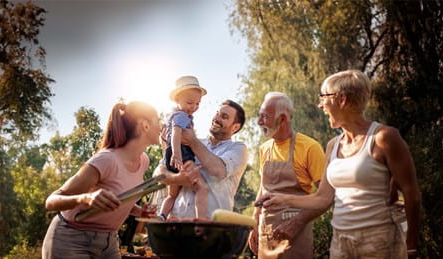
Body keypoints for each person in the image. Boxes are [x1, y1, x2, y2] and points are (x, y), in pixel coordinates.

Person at [259, 70, 422, 258]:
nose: (320, 105)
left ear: (342, 99)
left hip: (378, 241)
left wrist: (411, 246)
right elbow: (323, 198)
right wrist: (283, 199)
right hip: (340, 242)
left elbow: (412, 195)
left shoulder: (384, 137)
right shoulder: (333, 145)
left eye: (323, 97)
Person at [42, 101, 161, 259]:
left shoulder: (143, 160)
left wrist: (139, 211)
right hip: (72, 240)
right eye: (159, 121)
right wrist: (86, 198)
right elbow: (51, 202)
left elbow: (117, 196)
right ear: (145, 125)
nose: (162, 126)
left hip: (109, 241)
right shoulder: (107, 159)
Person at [248, 92, 327, 259]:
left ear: (282, 119)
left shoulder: (310, 147)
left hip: (296, 233)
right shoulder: (264, 149)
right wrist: (254, 221)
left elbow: (326, 197)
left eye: (264, 116)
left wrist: (296, 222)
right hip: (266, 230)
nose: (259, 122)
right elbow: (263, 187)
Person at [158, 100, 249, 220]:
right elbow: (159, 172)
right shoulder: (193, 141)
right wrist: (177, 178)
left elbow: (218, 170)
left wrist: (192, 141)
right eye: (217, 113)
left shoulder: (238, 149)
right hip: (177, 221)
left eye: (224, 117)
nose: (217, 118)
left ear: (235, 127)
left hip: (211, 226)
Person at [159, 75, 209, 220]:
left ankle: (162, 215)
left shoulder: (173, 115)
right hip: (182, 153)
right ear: (177, 100)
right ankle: (201, 219)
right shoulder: (181, 116)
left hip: (171, 155)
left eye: (197, 103)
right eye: (189, 102)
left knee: (172, 195)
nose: (193, 107)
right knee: (202, 188)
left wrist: (172, 154)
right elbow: (176, 134)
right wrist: (177, 154)